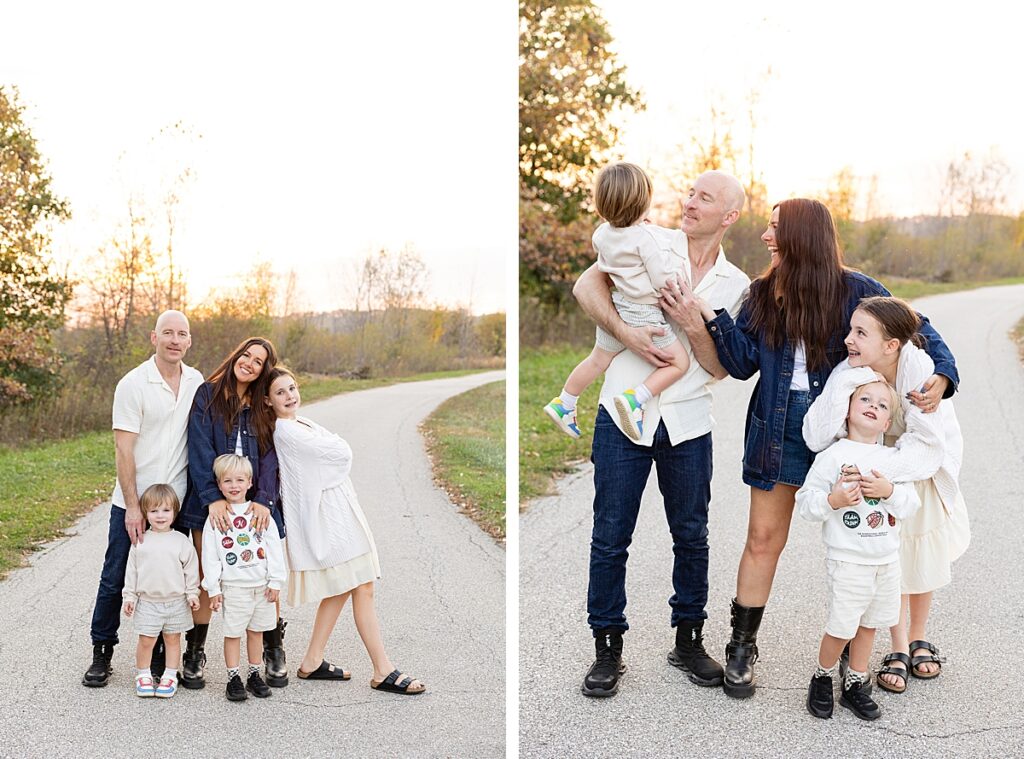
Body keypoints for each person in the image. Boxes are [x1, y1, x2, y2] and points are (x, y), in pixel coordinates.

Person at [570, 170, 751, 697]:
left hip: (689, 421)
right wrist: (629, 335)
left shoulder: (736, 284)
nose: (690, 203)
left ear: (729, 215)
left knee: (691, 536)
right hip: (621, 416)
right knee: (610, 537)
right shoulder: (645, 238)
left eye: (705, 198)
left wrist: (691, 322)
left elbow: (721, 369)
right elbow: (587, 286)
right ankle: (607, 648)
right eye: (690, 193)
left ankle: (688, 640)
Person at [802, 296, 970, 695]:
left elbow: (927, 447)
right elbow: (817, 433)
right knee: (890, 552)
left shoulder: (920, 371)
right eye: (851, 330)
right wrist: (843, 384)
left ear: (892, 345)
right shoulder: (851, 371)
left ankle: (918, 636)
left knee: (919, 549)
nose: (848, 340)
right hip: (873, 456)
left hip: (912, 462)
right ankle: (895, 646)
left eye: (860, 333)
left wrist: (880, 475)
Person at [257, 366, 426, 695]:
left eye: (292, 388)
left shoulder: (299, 423)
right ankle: (382, 669)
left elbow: (335, 452)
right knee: (361, 586)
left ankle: (312, 660)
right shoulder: (287, 431)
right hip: (327, 520)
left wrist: (331, 456)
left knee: (343, 586)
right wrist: (332, 455)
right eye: (280, 392)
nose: (290, 395)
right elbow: (341, 451)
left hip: (336, 513)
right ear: (268, 401)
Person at [83, 310, 204, 688]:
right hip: (135, 502)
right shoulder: (133, 384)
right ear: (154, 338)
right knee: (116, 576)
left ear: (188, 341)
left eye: (181, 334)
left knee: (169, 578)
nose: (174, 340)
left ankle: (159, 655)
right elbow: (123, 450)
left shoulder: (196, 381)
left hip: (178, 503)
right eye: (167, 332)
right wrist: (133, 507)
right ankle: (102, 651)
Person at [796, 377, 921, 720]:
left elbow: (910, 505)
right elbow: (805, 503)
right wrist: (833, 500)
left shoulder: (894, 460)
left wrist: (888, 491)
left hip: (886, 559)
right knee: (842, 625)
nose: (874, 406)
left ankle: (855, 681)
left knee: (871, 624)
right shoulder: (832, 456)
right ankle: (822, 675)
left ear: (886, 423)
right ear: (848, 410)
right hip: (848, 558)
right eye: (865, 399)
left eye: (883, 406)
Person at [544, 161, 690, 442]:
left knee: (597, 359)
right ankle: (636, 399)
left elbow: (608, 260)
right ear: (642, 202)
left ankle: (565, 401)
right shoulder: (644, 239)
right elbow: (661, 279)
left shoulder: (601, 235)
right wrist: (676, 277)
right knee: (678, 363)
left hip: (619, 305)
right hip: (644, 313)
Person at [175, 336, 285, 690]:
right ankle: (195, 652)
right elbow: (199, 445)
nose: (249, 363)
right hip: (212, 500)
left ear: (262, 371)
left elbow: (269, 457)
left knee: (265, 569)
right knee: (209, 572)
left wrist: (264, 500)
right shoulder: (208, 395)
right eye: (246, 355)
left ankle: (272, 647)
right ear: (236, 355)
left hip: (254, 503)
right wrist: (212, 498)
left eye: (258, 361)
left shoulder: (262, 405)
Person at [201, 454, 287, 701]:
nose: (234, 485)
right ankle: (233, 677)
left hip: (261, 587)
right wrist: (213, 589)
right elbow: (211, 556)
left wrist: (275, 582)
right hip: (234, 587)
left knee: (257, 632)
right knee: (233, 633)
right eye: (227, 481)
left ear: (250, 482)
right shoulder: (216, 517)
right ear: (219, 485)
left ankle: (253, 674)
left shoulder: (261, 514)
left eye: (240, 480)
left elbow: (274, 551)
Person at [121, 484, 201, 698]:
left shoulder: (181, 541)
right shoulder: (140, 541)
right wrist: (129, 596)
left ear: (175, 512)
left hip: (176, 601)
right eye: (154, 511)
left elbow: (190, 570)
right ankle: (143, 674)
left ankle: (170, 674)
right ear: (145, 513)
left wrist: (192, 593)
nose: (160, 515)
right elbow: (132, 572)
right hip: (148, 602)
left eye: (166, 510)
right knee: (146, 640)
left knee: (173, 639)